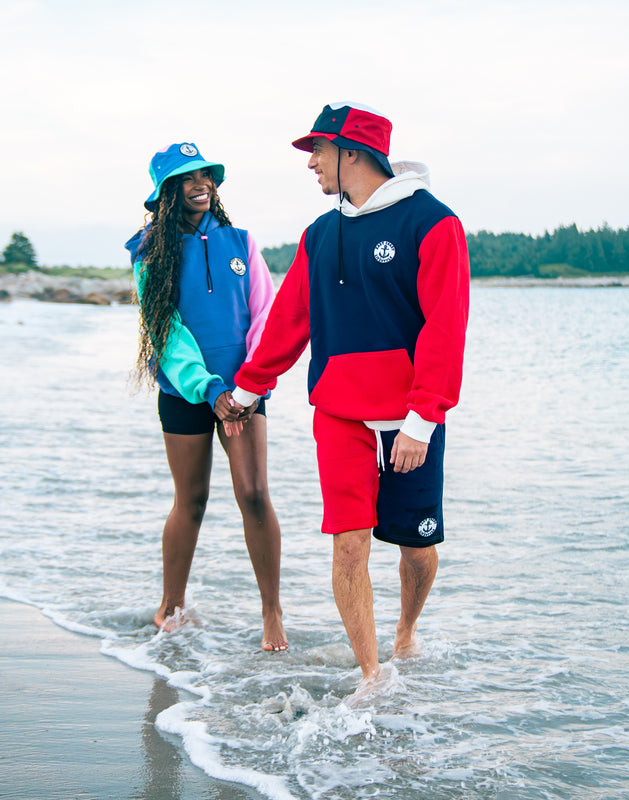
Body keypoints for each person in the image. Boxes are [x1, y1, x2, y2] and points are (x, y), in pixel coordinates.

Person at [229, 103, 469, 681]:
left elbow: (446, 325)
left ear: (353, 152)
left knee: (415, 546)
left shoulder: (433, 222)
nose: (311, 163)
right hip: (338, 412)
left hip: (409, 419)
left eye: (318, 150)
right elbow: (290, 319)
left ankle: (406, 633)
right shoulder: (320, 233)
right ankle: (371, 676)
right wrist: (247, 387)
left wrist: (422, 419)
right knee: (348, 546)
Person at [125, 142, 287, 652]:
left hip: (244, 391)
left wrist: (249, 385)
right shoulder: (149, 251)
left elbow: (266, 314)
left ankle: (272, 612)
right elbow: (166, 331)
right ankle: (171, 605)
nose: (200, 185)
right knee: (190, 500)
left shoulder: (241, 242)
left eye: (206, 176)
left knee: (254, 494)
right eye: (187, 178)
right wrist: (210, 388)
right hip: (186, 391)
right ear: (165, 192)